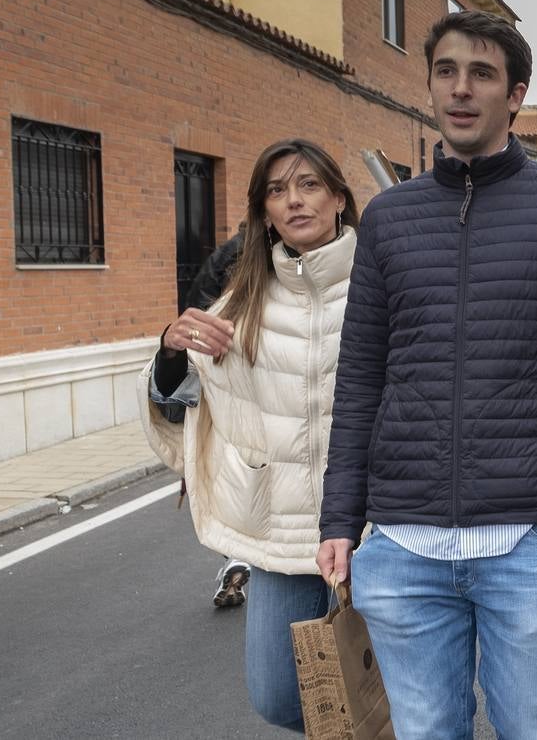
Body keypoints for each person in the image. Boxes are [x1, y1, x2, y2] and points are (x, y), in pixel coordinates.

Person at [317, 10, 537, 740]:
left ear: (516, 94)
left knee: (534, 727)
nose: (461, 89)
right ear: (430, 86)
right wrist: (339, 517)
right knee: (426, 730)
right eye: (446, 72)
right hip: (402, 543)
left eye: (482, 74)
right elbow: (361, 376)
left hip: (527, 533)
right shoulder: (389, 218)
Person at [138, 139, 360, 731]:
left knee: (397, 690)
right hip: (283, 533)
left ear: (339, 196)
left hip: (378, 530)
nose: (295, 201)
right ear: (263, 212)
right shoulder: (241, 296)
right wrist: (170, 352)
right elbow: (188, 397)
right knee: (278, 696)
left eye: (310, 185)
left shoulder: (383, 281)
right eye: (277, 191)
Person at [179, 224, 254, 607]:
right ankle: (243, 557)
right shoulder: (258, 255)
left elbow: (194, 311)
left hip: (223, 383)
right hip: (241, 372)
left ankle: (238, 557)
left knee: (238, 478)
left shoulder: (226, 253)